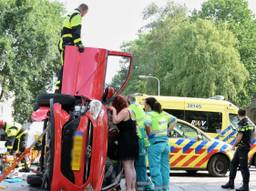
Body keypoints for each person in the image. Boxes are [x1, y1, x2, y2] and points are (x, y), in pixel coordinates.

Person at [144, 97, 176, 191]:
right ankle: (165, 189)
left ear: (149, 105)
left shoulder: (149, 114)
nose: (144, 107)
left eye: (145, 105)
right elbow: (174, 120)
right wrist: (167, 131)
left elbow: (147, 124)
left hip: (155, 145)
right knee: (165, 169)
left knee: (155, 169)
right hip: (165, 144)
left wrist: (149, 135)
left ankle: (158, 189)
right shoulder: (163, 113)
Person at [56, 3, 89, 92]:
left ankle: (60, 88)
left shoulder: (69, 14)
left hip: (64, 43)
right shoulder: (77, 15)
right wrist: (79, 44)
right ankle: (60, 89)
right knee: (66, 67)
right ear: (84, 11)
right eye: (84, 14)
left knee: (65, 66)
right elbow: (76, 31)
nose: (83, 16)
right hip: (68, 43)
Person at [109, 95, 139, 191]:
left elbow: (115, 120)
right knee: (132, 166)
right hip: (133, 139)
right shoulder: (131, 111)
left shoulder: (124, 111)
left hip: (126, 140)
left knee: (126, 166)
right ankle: (133, 188)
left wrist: (113, 110)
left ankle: (128, 188)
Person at [222, 109, 255, 191]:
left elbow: (239, 137)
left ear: (238, 114)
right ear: (245, 113)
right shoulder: (250, 123)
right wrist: (249, 140)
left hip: (242, 148)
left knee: (244, 167)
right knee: (233, 163)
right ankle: (231, 183)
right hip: (243, 147)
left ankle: (245, 187)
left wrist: (233, 145)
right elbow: (254, 134)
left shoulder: (242, 123)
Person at [127, 95, 153, 191]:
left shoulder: (130, 109)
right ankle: (145, 186)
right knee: (141, 165)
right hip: (143, 140)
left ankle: (142, 187)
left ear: (128, 102)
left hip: (137, 139)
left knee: (135, 165)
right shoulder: (139, 107)